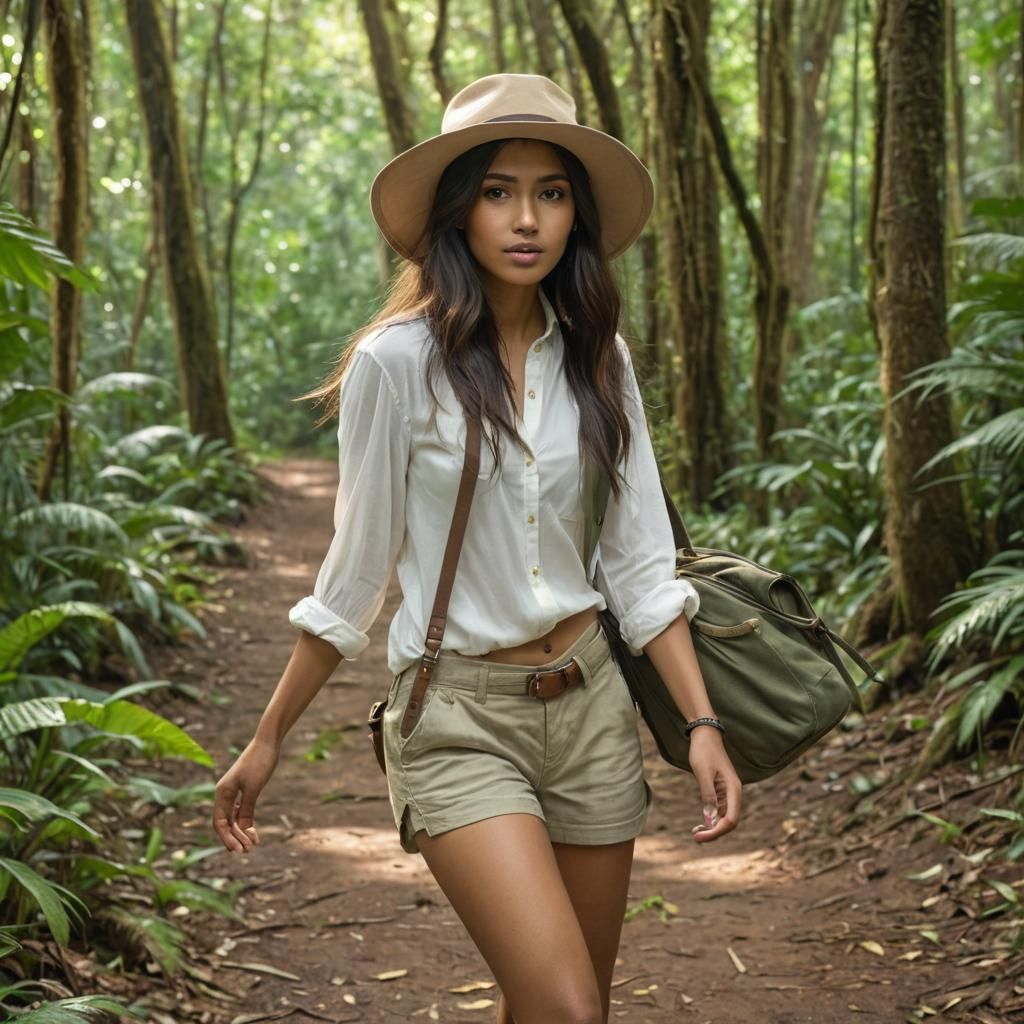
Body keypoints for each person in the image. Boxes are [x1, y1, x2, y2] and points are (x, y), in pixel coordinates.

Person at [213, 73, 742, 1024]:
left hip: (590, 708)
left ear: (576, 213)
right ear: (458, 213)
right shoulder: (394, 364)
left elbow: (639, 563)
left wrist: (702, 725)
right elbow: (355, 575)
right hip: (456, 715)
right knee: (564, 1006)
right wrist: (266, 740)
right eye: (498, 191)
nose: (526, 217)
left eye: (551, 191)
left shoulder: (598, 357)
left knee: (567, 1007)